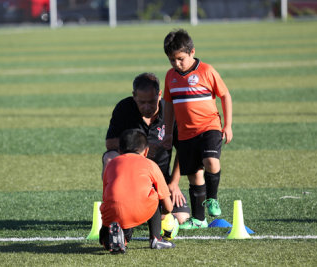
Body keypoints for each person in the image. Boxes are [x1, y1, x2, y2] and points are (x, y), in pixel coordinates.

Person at [162, 29, 233, 230]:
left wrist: (227, 125)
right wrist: (168, 133)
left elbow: (225, 95)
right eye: (172, 60)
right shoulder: (169, 77)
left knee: (211, 161)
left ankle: (212, 199)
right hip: (185, 133)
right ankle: (199, 219)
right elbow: (168, 106)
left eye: (180, 59)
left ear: (192, 52)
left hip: (209, 127)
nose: (176, 64)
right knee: (194, 174)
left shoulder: (207, 71)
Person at [102, 72, 190, 224]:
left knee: (181, 217)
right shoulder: (124, 109)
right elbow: (110, 144)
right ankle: (113, 201)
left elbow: (184, 149)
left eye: (151, 101)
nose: (147, 107)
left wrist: (174, 183)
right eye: (142, 102)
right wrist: (140, 151)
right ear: (134, 96)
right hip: (131, 179)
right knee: (109, 157)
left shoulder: (171, 111)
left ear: (160, 94)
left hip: (160, 178)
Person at [99, 129, 176, 253]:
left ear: (119, 151)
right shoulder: (150, 164)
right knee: (155, 194)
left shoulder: (111, 164)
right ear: (146, 151)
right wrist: (164, 214)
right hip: (141, 210)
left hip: (112, 213)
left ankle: (117, 240)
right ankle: (156, 238)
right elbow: (168, 206)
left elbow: (106, 196)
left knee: (104, 237)